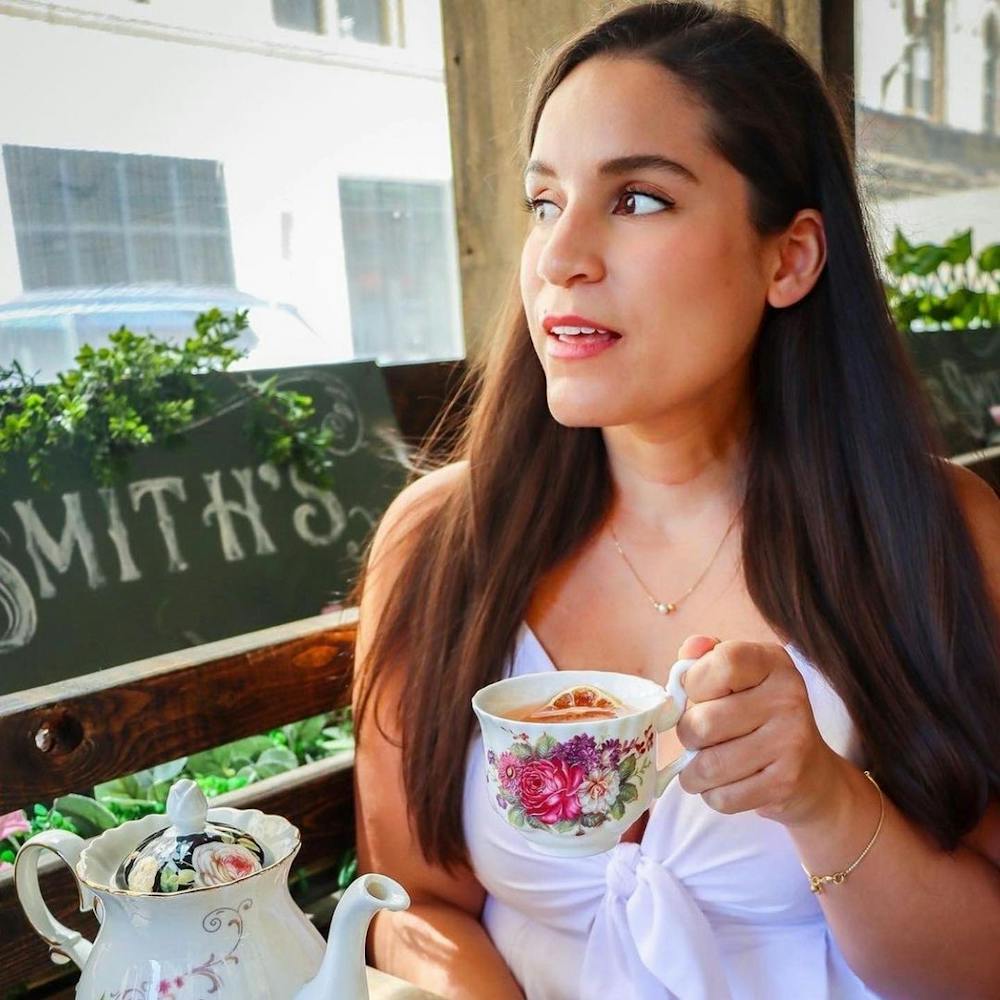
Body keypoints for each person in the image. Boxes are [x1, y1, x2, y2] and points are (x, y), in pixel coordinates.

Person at [351, 3, 1000, 998]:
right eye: (542, 203)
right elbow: (409, 901)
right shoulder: (443, 545)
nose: (560, 256)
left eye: (639, 199)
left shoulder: (941, 538)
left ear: (787, 258)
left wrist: (823, 797)